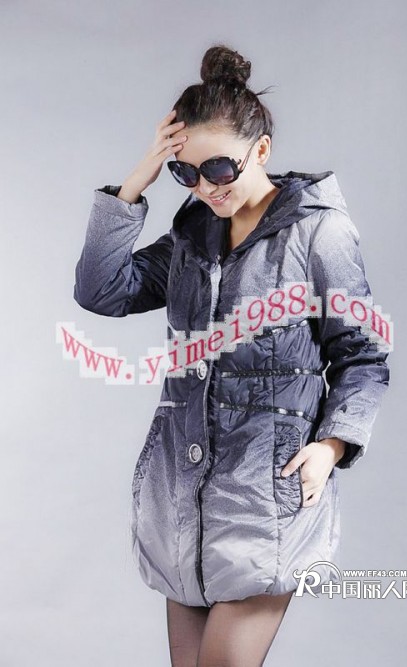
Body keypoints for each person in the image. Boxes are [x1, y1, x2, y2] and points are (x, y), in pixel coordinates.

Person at [73, 43, 390, 667]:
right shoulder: (192, 235)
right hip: (182, 497)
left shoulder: (318, 233)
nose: (204, 187)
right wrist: (139, 177)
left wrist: (331, 447)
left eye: (219, 168)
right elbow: (101, 290)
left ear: (261, 151)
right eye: (185, 173)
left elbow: (362, 356)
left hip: (266, 496)